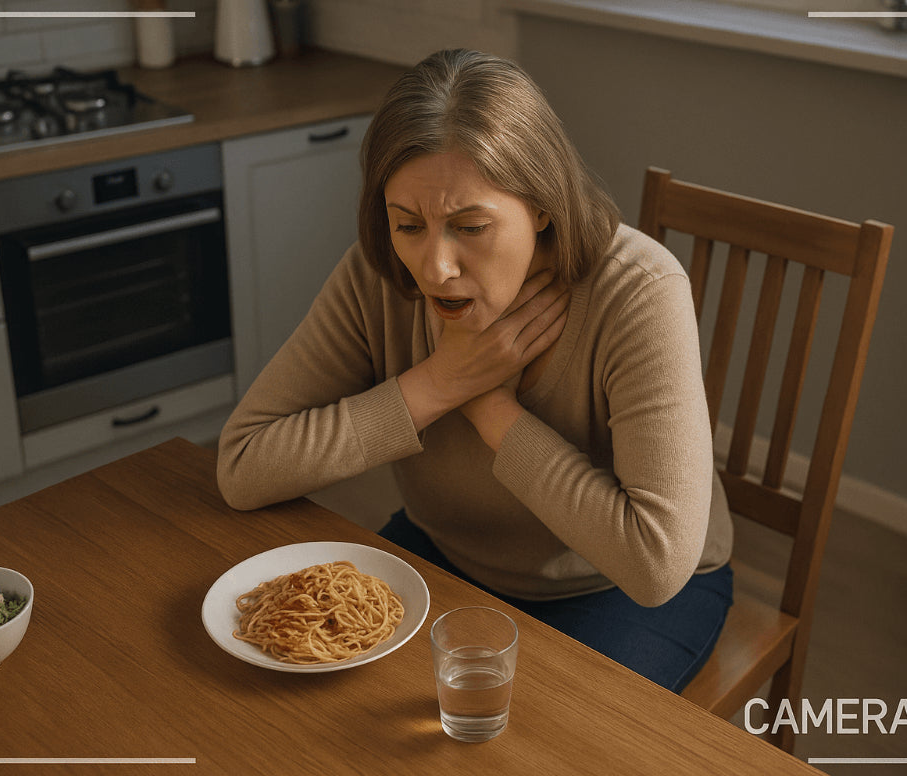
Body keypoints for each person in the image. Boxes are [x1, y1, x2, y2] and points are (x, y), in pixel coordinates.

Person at [217, 48, 733, 692]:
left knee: (537, 740)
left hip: (612, 590)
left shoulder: (639, 291)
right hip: (447, 552)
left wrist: (492, 410)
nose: (434, 268)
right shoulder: (377, 278)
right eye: (408, 225)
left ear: (542, 206)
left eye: (470, 226)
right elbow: (243, 466)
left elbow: (654, 566)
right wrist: (441, 383)